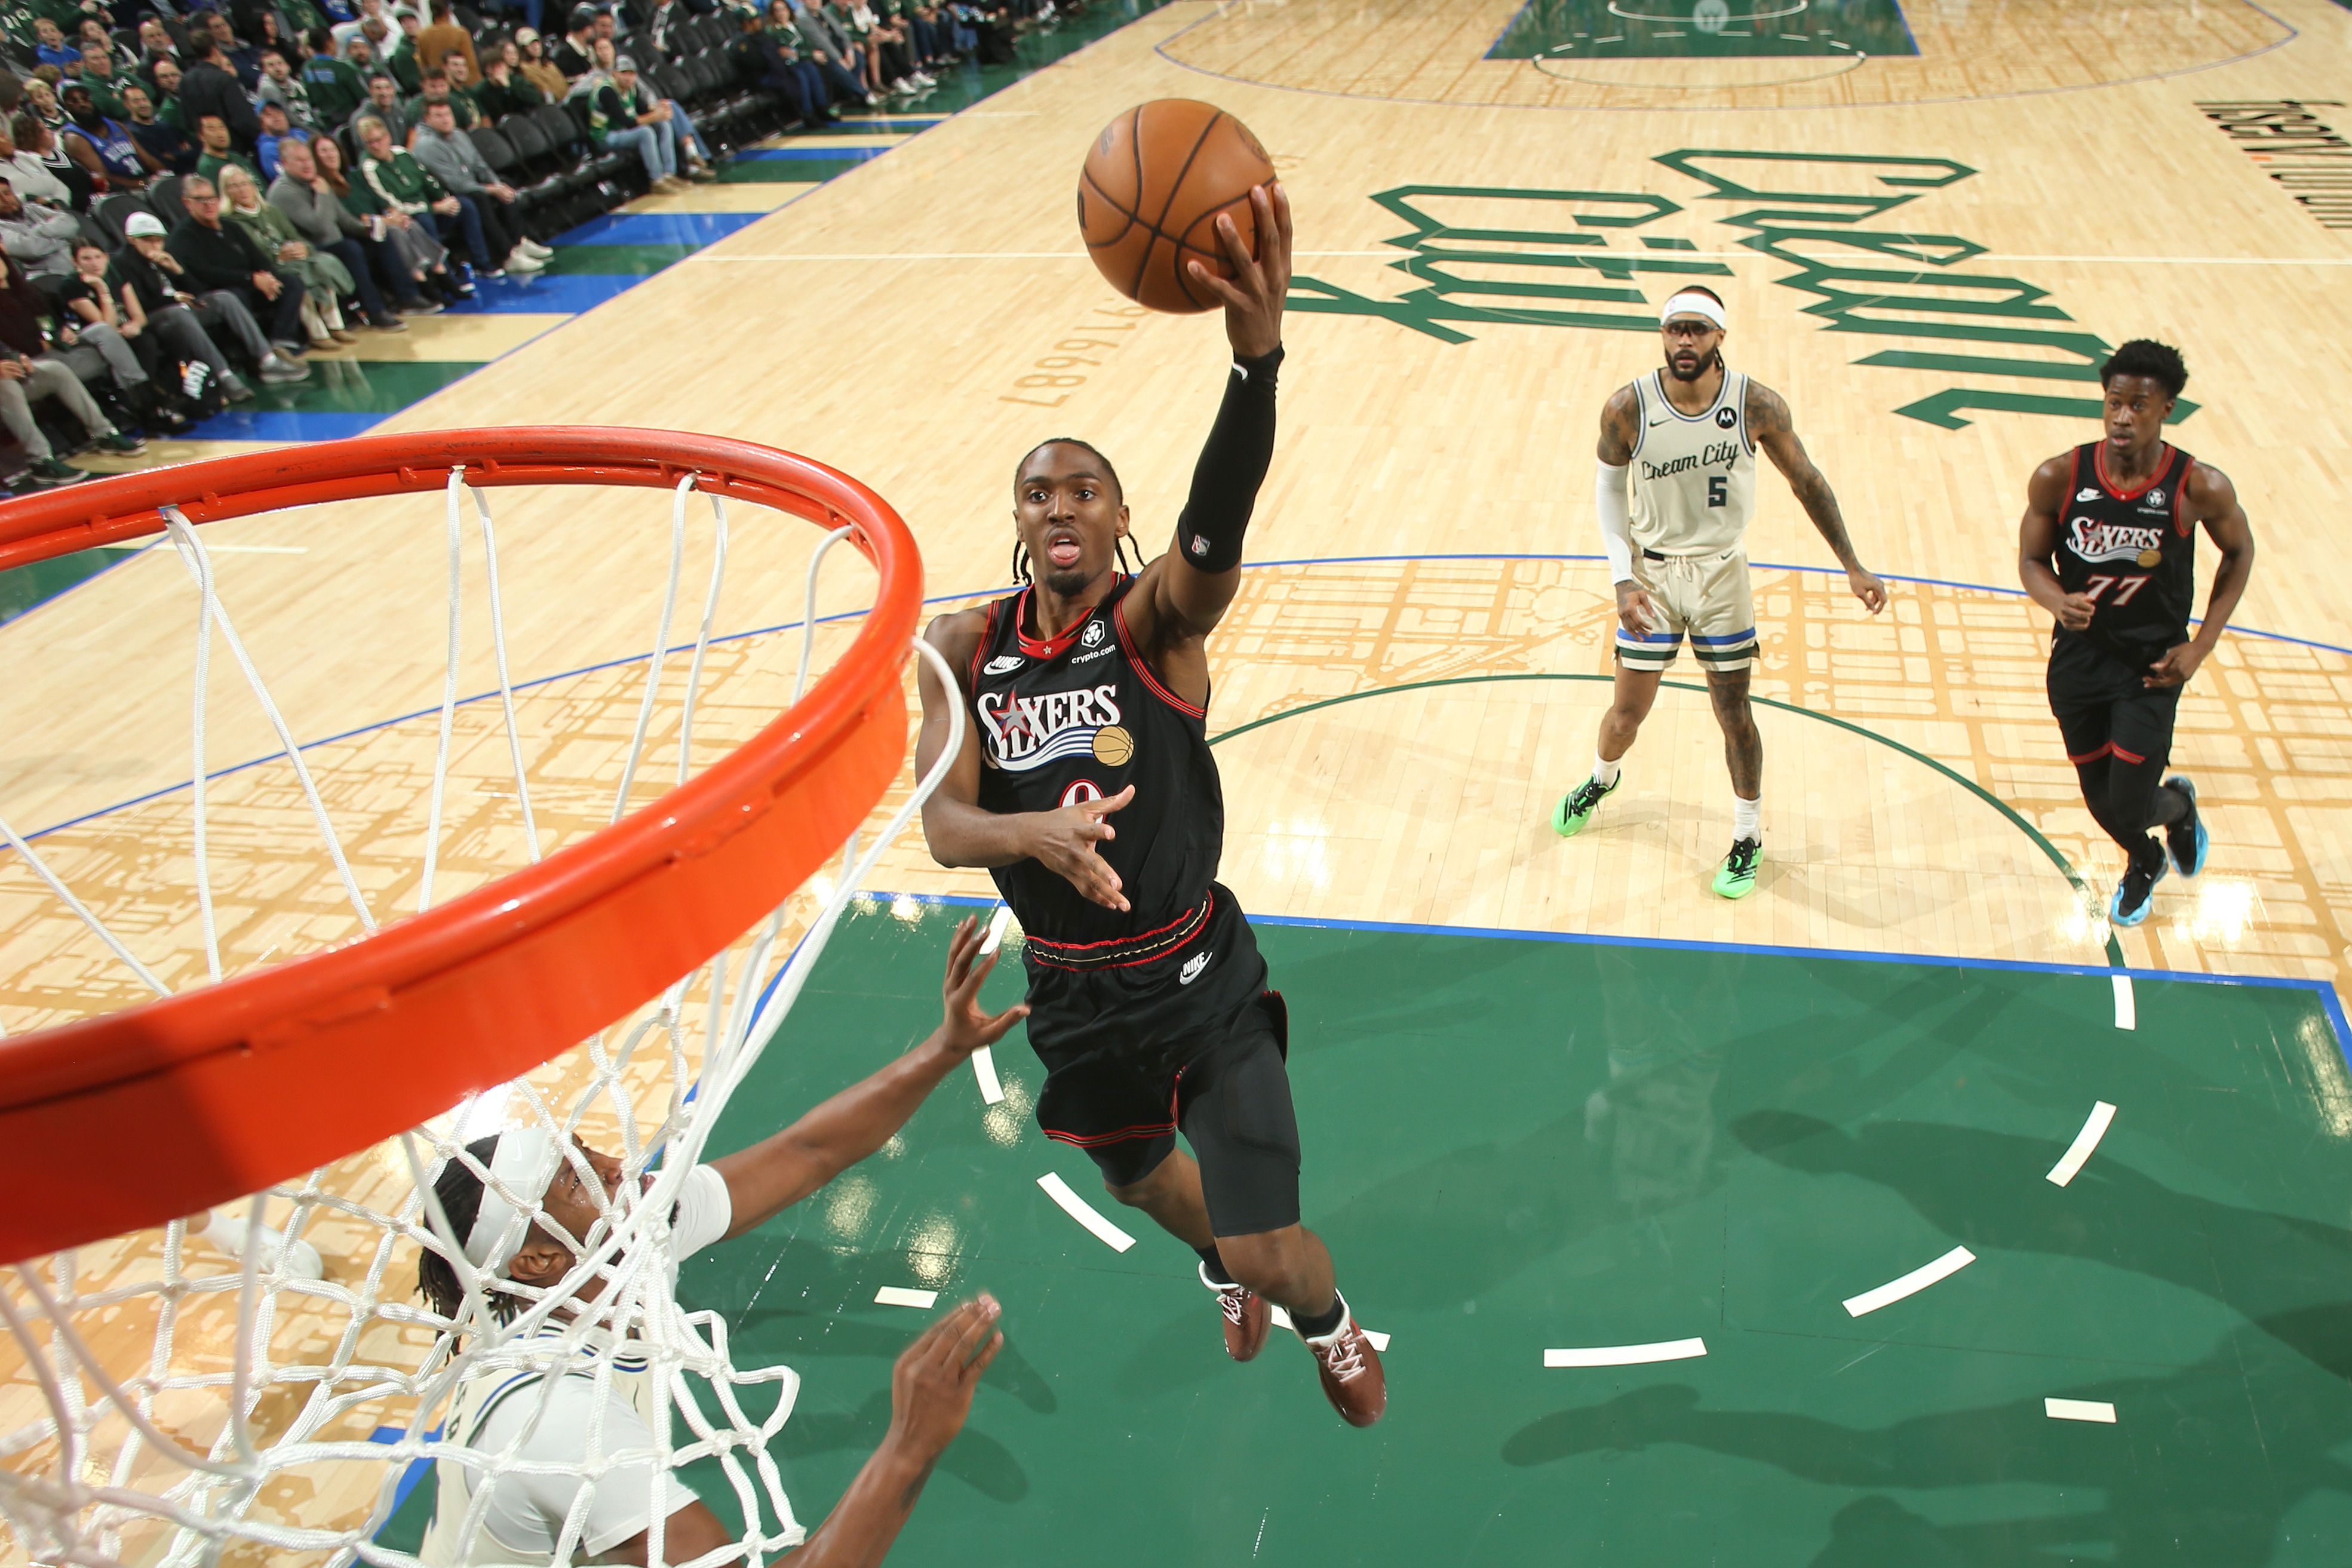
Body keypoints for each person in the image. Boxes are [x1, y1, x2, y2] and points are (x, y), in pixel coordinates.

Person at [913, 186, 1385, 1426]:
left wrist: (1254, 368)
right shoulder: (961, 647)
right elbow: (944, 826)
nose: (1060, 505)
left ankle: (1326, 1319)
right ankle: (1216, 1259)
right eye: (1038, 493)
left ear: (1121, 520)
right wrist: (1031, 834)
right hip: (1071, 989)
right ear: (1019, 521)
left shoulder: (1154, 622)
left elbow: (1213, 532)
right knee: (1134, 1177)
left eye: (1084, 491)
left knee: (1278, 1250)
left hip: (1193, 973)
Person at [411, 920, 1024, 1567]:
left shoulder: (626, 1236)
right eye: (575, 1179)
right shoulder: (551, 1418)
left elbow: (809, 1152)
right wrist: (909, 1446)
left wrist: (944, 1048)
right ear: (538, 1260)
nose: (614, 1166)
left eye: (587, 1150)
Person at [1550, 287, 1887, 899]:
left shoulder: (1755, 404)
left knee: (1734, 716)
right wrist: (1621, 577)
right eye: (1676, 328)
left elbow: (1806, 481)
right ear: (1663, 334)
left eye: (1698, 329)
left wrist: (1852, 564)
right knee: (1625, 716)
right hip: (1651, 577)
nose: (1685, 339)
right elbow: (1608, 491)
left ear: (1719, 337)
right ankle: (1602, 777)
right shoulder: (1627, 407)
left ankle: (1747, 836)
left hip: (1721, 575)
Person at [2016, 339, 2256, 927]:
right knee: (2099, 799)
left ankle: (2168, 820)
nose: (2122, 417)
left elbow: (2239, 552)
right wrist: (2055, 600)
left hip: (2152, 666)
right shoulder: (2058, 477)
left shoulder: (2198, 486)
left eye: (2138, 406)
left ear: (2166, 409)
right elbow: (2030, 560)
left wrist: (2200, 645)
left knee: (2127, 804)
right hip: (2077, 658)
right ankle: (2151, 849)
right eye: (2114, 403)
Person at [113, 209, 303, 392]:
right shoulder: (124, 264)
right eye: (148, 240)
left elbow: (196, 290)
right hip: (156, 317)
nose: (155, 245)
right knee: (178, 312)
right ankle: (223, 375)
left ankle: (267, 360)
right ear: (132, 240)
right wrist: (173, 299)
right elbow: (141, 305)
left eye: (159, 240)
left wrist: (177, 270)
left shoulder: (164, 258)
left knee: (224, 298)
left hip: (182, 307)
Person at [0, 251, 144, 490]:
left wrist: (17, 358)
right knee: (5, 385)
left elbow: (8, 346)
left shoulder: (29, 292)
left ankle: (104, 432)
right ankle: (40, 460)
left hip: (23, 370)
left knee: (56, 369)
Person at [52, 238, 195, 433]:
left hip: (120, 332)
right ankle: (151, 408)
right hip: (93, 339)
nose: (94, 263)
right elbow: (106, 327)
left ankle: (176, 396)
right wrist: (102, 290)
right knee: (142, 343)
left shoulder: (115, 273)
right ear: (75, 262)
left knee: (159, 337)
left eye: (98, 257)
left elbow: (139, 316)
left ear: (106, 257)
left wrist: (134, 325)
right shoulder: (71, 285)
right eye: (86, 259)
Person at [269, 133, 413, 325]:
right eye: (300, 161)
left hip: (335, 242)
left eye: (309, 159)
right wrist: (322, 195)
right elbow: (320, 227)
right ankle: (374, 311)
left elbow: (343, 219)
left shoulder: (316, 182)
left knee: (379, 238)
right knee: (350, 249)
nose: (307, 165)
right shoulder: (284, 192)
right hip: (312, 249)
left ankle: (407, 297)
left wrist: (370, 228)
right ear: (284, 163)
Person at [165, 172, 310, 360]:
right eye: (200, 200)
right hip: (218, 293)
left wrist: (268, 278)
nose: (208, 204)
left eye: (212, 198)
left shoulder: (230, 226)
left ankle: (282, 340)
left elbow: (258, 258)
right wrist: (251, 279)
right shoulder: (183, 236)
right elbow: (205, 273)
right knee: (236, 295)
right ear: (187, 203)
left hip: (248, 284)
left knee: (291, 283)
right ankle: (253, 352)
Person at [313, 130, 458, 303]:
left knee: (410, 223)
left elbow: (379, 200)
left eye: (333, 149)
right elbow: (352, 219)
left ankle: (440, 273)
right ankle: (417, 286)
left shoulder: (354, 176)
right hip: (361, 231)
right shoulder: (323, 187)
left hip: (380, 220)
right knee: (393, 232)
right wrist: (387, 221)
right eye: (324, 151)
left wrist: (394, 214)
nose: (330, 155)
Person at [217, 160, 353, 344]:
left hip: (295, 258)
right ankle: (318, 333)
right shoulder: (229, 222)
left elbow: (296, 237)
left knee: (324, 264)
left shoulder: (271, 211)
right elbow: (245, 257)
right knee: (299, 276)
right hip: (270, 267)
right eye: (234, 186)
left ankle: (335, 325)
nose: (242, 190)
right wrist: (277, 257)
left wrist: (303, 248)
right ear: (226, 191)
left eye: (245, 183)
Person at [408, 101, 545, 273]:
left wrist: (497, 185)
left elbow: (480, 165)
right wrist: (491, 190)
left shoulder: (459, 135)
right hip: (449, 196)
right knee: (478, 197)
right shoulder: (427, 146)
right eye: (439, 116)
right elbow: (456, 185)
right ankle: (507, 254)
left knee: (505, 182)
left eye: (448, 114)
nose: (445, 120)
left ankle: (519, 242)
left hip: (472, 185)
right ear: (427, 119)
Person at [56, 81, 155, 190]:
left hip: (147, 183)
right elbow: (104, 178)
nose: (82, 104)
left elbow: (147, 159)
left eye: (85, 98)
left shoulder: (116, 125)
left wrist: (162, 174)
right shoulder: (74, 138)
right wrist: (143, 184)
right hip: (122, 192)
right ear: (66, 107)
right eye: (74, 101)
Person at [177, 34, 261, 147]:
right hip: (235, 145)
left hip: (206, 146)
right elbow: (243, 120)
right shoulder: (224, 79)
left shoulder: (184, 81)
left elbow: (188, 121)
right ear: (214, 49)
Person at [0, 170, 80, 275]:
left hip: (83, 267)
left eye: (7, 193)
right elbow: (32, 250)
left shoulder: (32, 208)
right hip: (51, 277)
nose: (6, 200)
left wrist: (32, 236)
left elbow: (72, 224)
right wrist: (63, 238)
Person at [297, 24, 367, 121]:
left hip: (325, 122)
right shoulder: (342, 68)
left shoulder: (306, 68)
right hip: (352, 120)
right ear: (329, 43)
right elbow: (363, 99)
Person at [119, 82, 194, 172]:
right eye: (136, 101)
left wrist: (177, 156)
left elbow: (188, 147)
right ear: (127, 105)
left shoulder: (164, 123)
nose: (143, 104)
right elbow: (162, 163)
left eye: (144, 99)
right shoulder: (134, 133)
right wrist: (182, 155)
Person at [0, 117, 72, 202]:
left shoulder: (23, 156)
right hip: (35, 209)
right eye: (1, 137)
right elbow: (11, 200)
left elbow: (59, 185)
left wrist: (60, 203)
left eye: (5, 135)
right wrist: (48, 204)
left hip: (64, 205)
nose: (8, 139)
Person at [474, 38, 545, 119]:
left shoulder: (517, 81)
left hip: (525, 120)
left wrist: (509, 87)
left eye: (502, 65)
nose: (500, 70)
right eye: (496, 66)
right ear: (488, 70)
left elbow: (536, 100)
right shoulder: (480, 90)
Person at [412, 0, 475, 79]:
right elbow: (471, 65)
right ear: (447, 10)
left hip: (436, 82)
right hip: (459, 82)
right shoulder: (460, 33)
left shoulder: (422, 35)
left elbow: (423, 66)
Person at [254, 47, 315, 128]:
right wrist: (315, 133)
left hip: (310, 125)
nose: (277, 69)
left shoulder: (296, 84)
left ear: (288, 66)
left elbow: (312, 109)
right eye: (271, 65)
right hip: (294, 131)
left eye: (280, 63)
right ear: (264, 70)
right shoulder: (268, 89)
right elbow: (289, 120)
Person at [191, 110, 257, 184]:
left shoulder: (236, 157)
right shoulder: (207, 167)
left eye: (221, 127)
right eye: (212, 129)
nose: (220, 134)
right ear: (201, 136)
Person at [346, 68, 410, 144]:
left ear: (393, 89)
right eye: (378, 88)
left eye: (387, 87)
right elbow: (364, 147)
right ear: (370, 91)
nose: (384, 92)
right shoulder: (361, 118)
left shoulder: (399, 111)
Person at [70, 38, 128, 118]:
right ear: (85, 63)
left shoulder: (121, 73)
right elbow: (118, 111)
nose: (102, 62)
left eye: (104, 57)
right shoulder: (89, 87)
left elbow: (146, 89)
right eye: (95, 59)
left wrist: (121, 100)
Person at [251, 97, 306, 179]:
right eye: (269, 114)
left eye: (278, 112)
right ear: (262, 123)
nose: (276, 116)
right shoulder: (268, 149)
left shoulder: (299, 133)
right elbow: (286, 179)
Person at [512, 25, 568, 97]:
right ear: (523, 49)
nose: (536, 47)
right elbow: (545, 90)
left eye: (537, 42)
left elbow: (563, 84)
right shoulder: (525, 69)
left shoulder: (548, 64)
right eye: (530, 44)